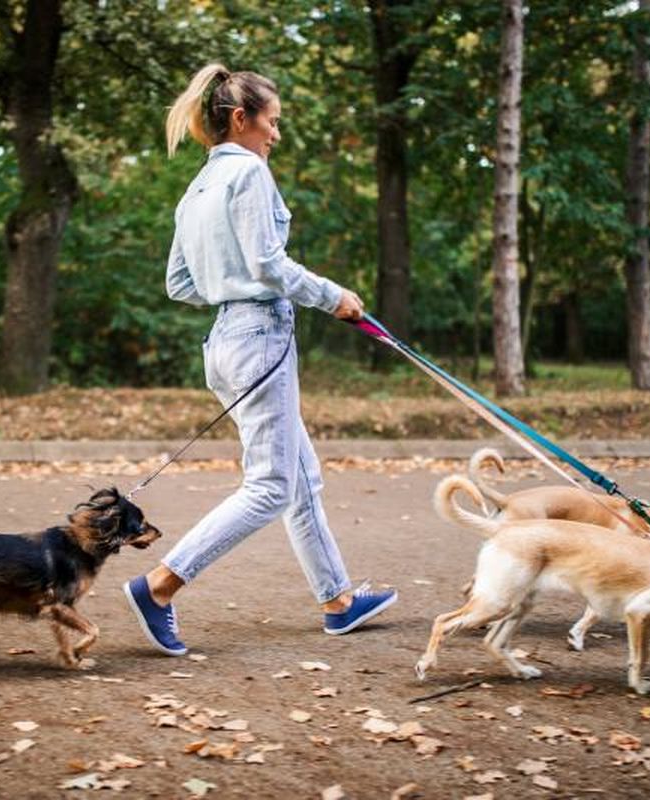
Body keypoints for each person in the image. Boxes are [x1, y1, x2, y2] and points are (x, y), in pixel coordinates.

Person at [122, 64, 397, 655]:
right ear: (242, 120)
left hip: (224, 342)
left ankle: (338, 601)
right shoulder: (249, 174)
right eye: (271, 122)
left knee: (300, 476)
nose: (276, 135)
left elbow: (178, 284)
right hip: (259, 337)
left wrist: (227, 285)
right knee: (272, 484)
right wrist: (335, 298)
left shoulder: (195, 189)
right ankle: (160, 585)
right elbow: (270, 266)